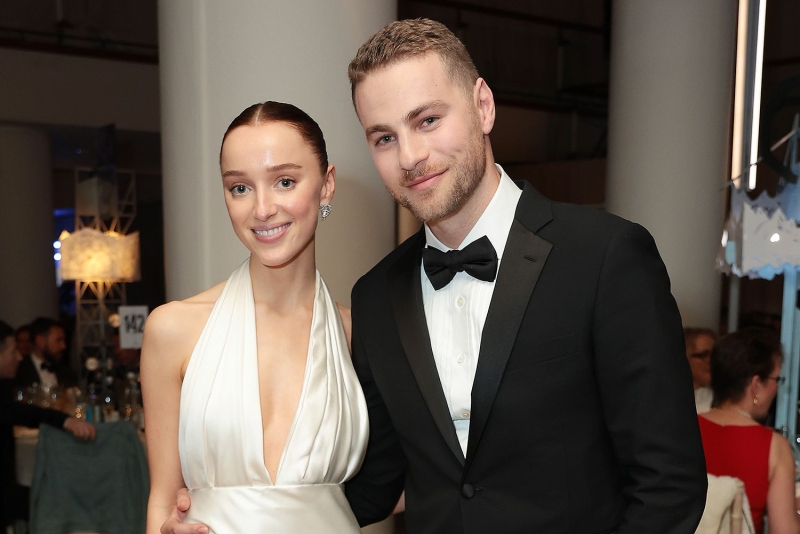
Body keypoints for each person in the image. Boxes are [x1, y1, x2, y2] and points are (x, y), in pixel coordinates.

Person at [162, 18, 707, 534]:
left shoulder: (605, 255)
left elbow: (669, 484)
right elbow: (378, 481)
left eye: (427, 120)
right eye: (384, 137)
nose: (410, 156)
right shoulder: (377, 294)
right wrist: (234, 506)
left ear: (483, 106)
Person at [141, 101, 368, 533]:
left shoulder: (358, 334)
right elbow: (162, 501)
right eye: (240, 188)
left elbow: (409, 478)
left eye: (285, 182)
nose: (262, 209)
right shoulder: (173, 330)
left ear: (326, 186)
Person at [698, 328, 799, 534]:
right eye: (776, 380)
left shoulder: (685, 429)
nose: (776, 389)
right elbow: (784, 531)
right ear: (755, 385)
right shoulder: (774, 446)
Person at [0, 320, 95, 529]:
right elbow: (18, 411)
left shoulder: (64, 371)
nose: (19, 356)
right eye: (13, 351)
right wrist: (64, 420)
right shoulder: (15, 380)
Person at [13, 317, 76, 389]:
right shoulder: (18, 371)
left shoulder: (66, 372)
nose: (63, 346)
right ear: (40, 341)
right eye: (58, 340)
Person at [684, 327, 717, 413]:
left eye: (714, 355)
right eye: (703, 355)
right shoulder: (664, 397)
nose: (710, 360)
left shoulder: (723, 400)